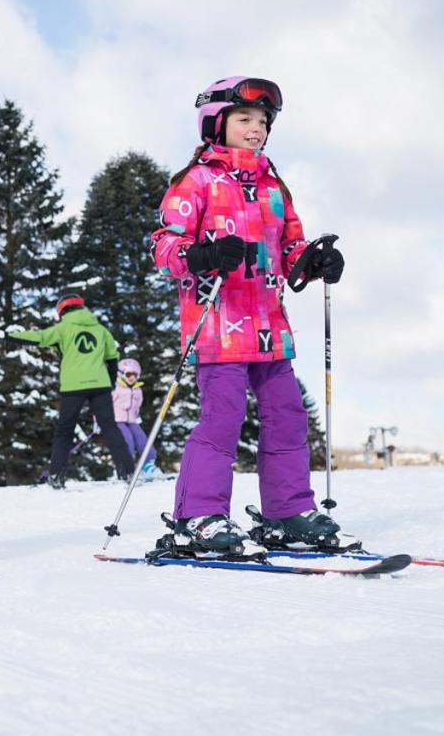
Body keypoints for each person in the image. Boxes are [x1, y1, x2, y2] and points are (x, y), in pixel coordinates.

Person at [149, 77, 344, 552]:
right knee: (223, 419)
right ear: (217, 123)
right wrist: (200, 255)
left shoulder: (274, 184)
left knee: (288, 417)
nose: (256, 129)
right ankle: (199, 517)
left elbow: (289, 246)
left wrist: (311, 261)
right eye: (245, 120)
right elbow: (163, 243)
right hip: (217, 324)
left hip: (269, 328)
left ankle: (287, 512)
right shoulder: (194, 180)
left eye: (263, 122)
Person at [0, 295, 134, 488]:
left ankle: (56, 477)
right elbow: (112, 358)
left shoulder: (63, 328)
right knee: (110, 428)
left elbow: (39, 338)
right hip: (99, 385)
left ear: (62, 311)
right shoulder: (101, 330)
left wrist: (9, 336)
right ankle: (127, 473)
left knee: (64, 432)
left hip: (73, 387)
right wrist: (108, 384)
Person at [111, 358, 163, 480]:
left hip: (131, 420)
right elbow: (104, 405)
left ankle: (147, 466)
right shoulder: (115, 388)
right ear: (121, 374)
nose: (132, 378)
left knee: (142, 439)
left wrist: (137, 416)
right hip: (116, 420)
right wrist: (98, 421)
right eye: (128, 374)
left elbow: (137, 405)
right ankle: (125, 468)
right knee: (127, 440)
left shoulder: (137, 390)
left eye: (135, 375)